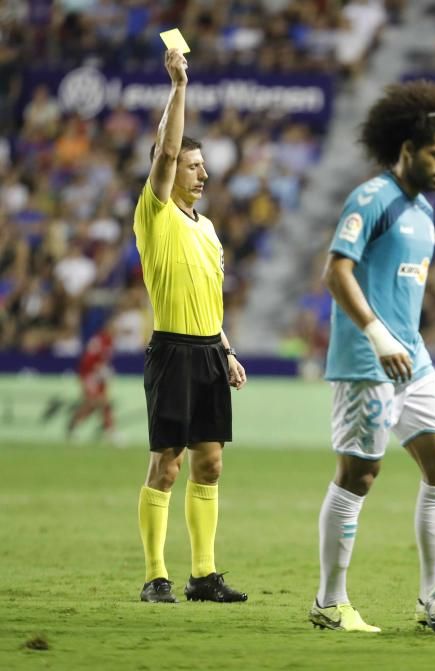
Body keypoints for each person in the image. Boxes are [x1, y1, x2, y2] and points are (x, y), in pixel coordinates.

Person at [309, 80, 435, 633]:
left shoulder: (423, 211)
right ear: (406, 149)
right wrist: (376, 333)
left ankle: (432, 601)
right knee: (359, 475)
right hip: (366, 357)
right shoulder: (372, 197)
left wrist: (402, 338)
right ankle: (330, 602)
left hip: (412, 359)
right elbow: (335, 271)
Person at [133, 48, 248, 604]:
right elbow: (168, 145)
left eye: (203, 168)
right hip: (172, 351)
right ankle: (156, 576)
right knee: (167, 465)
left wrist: (226, 349)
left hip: (206, 351)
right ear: (169, 167)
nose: (201, 173)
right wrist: (178, 87)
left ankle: (203, 575)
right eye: (192, 165)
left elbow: (212, 300)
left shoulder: (207, 230)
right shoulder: (156, 214)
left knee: (211, 461)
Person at [66, 319, 117, 444]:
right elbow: (88, 360)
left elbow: (104, 360)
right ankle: (73, 427)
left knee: (102, 404)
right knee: (93, 403)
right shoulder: (98, 340)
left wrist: (105, 371)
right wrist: (100, 369)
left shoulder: (110, 341)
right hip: (89, 375)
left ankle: (110, 432)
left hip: (98, 377)